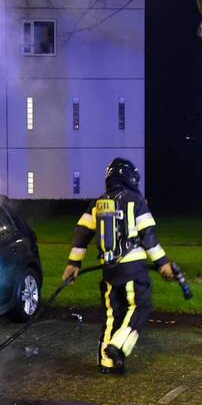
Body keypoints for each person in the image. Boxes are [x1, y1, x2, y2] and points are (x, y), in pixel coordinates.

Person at [62, 158, 174, 374]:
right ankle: (118, 346)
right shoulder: (136, 201)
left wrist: (73, 263)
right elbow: (148, 236)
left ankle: (107, 363)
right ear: (130, 178)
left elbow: (81, 233)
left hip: (109, 269)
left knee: (113, 313)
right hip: (133, 269)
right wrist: (163, 263)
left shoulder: (97, 203)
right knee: (140, 306)